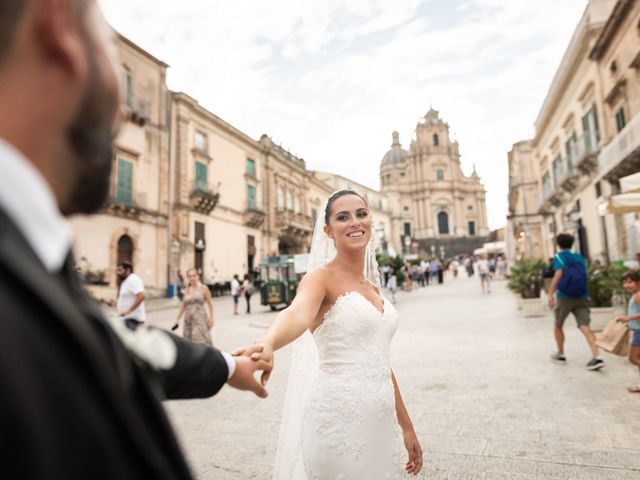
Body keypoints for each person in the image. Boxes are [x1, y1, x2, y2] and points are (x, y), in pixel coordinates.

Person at [0, 2, 270, 477]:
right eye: (108, 51)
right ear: (57, 27)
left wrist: (226, 366)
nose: (124, 108)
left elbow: (106, 340)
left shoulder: (29, 247)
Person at [236, 190, 423, 478]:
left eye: (361, 214)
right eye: (343, 217)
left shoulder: (373, 289)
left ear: (371, 221)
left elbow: (380, 363)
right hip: (338, 423)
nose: (355, 222)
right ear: (328, 231)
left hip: (380, 425)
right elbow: (295, 313)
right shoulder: (320, 278)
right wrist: (268, 342)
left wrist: (407, 426)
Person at [547, 233, 604, 371]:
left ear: (558, 244)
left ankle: (560, 354)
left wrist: (550, 294)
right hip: (581, 295)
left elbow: (558, 274)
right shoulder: (579, 257)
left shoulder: (559, 256)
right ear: (572, 244)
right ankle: (596, 356)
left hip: (564, 296)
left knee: (558, 325)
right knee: (585, 326)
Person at [173, 269, 214, 346]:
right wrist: (177, 319)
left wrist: (211, 319)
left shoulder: (204, 288)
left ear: (198, 277)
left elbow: (210, 303)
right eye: (190, 276)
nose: (192, 278)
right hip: (188, 319)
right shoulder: (187, 290)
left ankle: (205, 357)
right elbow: (183, 305)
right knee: (189, 341)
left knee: (200, 340)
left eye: (194, 276)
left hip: (200, 318)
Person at [616, 271, 640, 393]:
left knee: (633, 358)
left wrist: (628, 318)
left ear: (637, 282)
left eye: (630, 282)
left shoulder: (638, 295)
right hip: (637, 330)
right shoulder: (635, 295)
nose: (626, 285)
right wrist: (628, 320)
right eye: (624, 282)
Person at [115, 261, 146, 328]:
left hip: (134, 320)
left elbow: (141, 296)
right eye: (117, 270)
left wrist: (129, 311)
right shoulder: (125, 281)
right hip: (125, 319)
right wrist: (115, 303)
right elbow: (127, 299)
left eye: (120, 270)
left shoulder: (133, 279)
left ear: (128, 270)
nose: (118, 273)